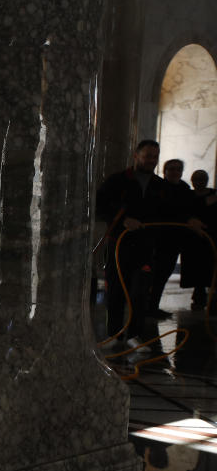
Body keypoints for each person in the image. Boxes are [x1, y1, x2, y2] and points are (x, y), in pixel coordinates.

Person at [95, 140, 168, 350]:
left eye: (155, 156)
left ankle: (135, 334)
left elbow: (170, 212)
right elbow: (99, 206)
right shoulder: (117, 181)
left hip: (145, 248)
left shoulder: (159, 186)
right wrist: (122, 219)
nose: (151, 160)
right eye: (147, 155)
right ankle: (114, 334)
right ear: (136, 155)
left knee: (140, 292)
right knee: (116, 291)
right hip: (119, 245)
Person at [147, 159, 195, 318]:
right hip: (158, 239)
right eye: (171, 169)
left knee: (163, 275)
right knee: (153, 276)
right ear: (165, 171)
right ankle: (147, 307)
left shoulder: (185, 189)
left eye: (178, 169)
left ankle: (153, 306)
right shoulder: (157, 187)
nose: (175, 172)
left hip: (175, 240)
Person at [181, 170, 217, 309]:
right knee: (196, 267)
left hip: (211, 236)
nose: (199, 182)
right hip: (193, 239)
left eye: (202, 179)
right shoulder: (188, 196)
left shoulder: (214, 194)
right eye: (196, 179)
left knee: (211, 266)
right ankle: (199, 296)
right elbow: (185, 211)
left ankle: (212, 298)